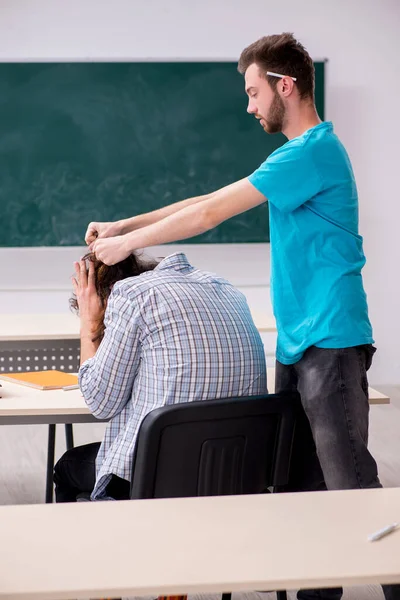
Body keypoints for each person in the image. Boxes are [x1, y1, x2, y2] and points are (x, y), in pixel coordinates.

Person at [84, 33, 400, 600]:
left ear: (287, 85)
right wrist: (124, 228)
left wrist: (116, 249)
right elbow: (208, 198)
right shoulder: (291, 158)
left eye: (254, 92)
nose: (250, 106)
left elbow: (209, 213)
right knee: (303, 495)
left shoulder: (314, 152)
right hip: (300, 346)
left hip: (331, 341)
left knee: (355, 489)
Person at [54, 251, 267, 502]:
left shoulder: (131, 294)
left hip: (160, 475)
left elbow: (100, 403)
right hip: (238, 472)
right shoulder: (227, 289)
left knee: (68, 466)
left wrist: (89, 325)